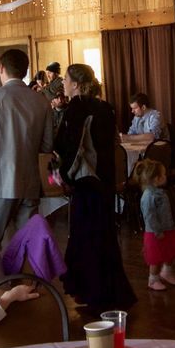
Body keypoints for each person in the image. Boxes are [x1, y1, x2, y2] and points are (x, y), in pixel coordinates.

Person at [55, 63, 135, 314]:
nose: (63, 84)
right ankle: (109, 289)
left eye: (66, 80)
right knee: (104, 234)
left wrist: (61, 176)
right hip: (105, 180)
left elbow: (68, 148)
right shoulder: (105, 107)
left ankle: (91, 290)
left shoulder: (76, 109)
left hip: (86, 181)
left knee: (84, 234)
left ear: (76, 84)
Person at [0, 47, 52, 245]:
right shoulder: (41, 100)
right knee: (26, 245)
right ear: (26, 69)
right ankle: (22, 277)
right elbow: (47, 145)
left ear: (1, 68)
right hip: (30, 182)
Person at [136, 158, 175, 291]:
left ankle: (166, 271)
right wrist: (157, 231)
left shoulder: (160, 192)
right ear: (156, 179)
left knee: (169, 251)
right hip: (155, 232)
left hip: (167, 228)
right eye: (163, 174)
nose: (165, 176)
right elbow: (149, 216)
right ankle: (153, 278)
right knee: (155, 257)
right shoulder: (149, 196)